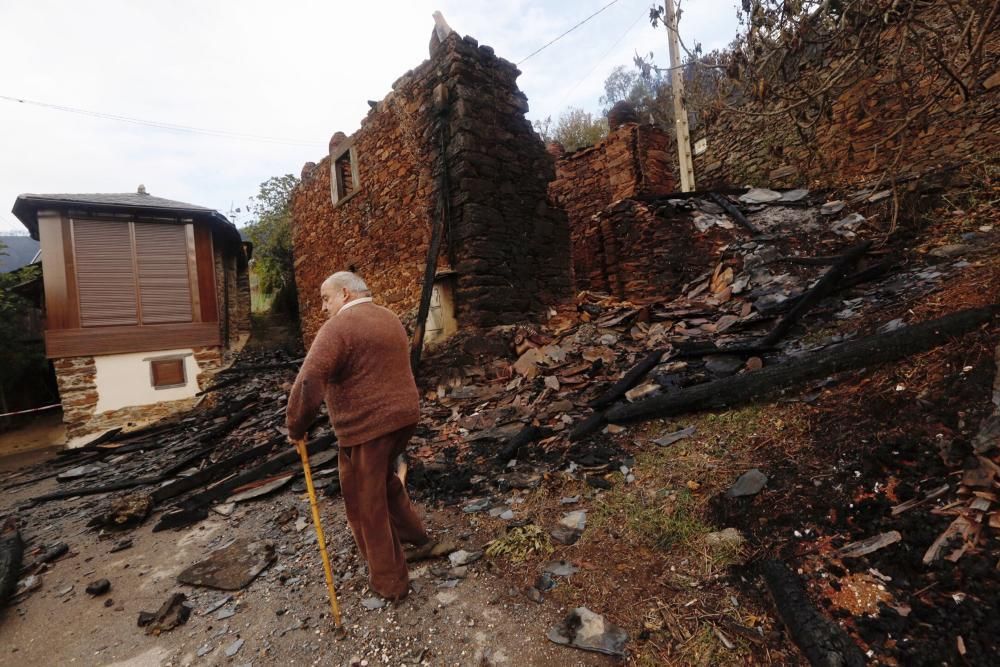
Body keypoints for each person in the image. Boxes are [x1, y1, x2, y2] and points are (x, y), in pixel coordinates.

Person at [286, 271, 430, 601]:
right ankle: (415, 536)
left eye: (326, 298)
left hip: (368, 426)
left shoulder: (339, 327)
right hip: (403, 418)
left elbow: (309, 381)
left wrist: (296, 426)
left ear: (347, 295)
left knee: (367, 503)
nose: (323, 307)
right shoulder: (389, 318)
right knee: (376, 480)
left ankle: (390, 583)